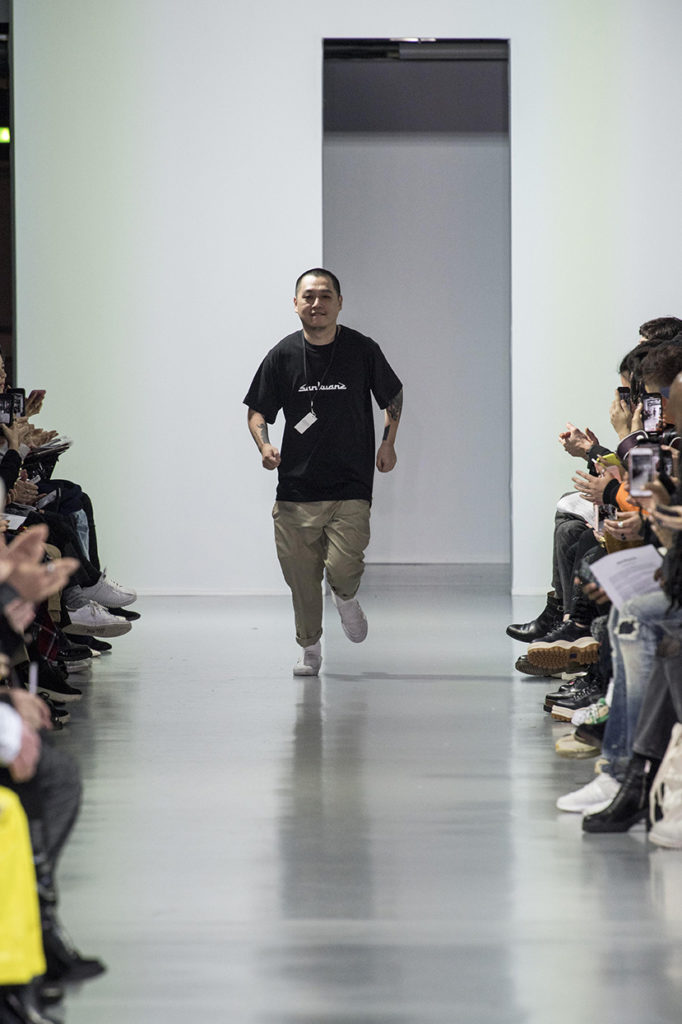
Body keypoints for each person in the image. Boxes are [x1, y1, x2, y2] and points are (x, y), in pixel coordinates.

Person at [244, 268, 403, 676]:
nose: (317, 304)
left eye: (326, 296)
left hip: (351, 484)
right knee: (301, 578)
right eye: (309, 296)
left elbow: (393, 394)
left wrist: (388, 442)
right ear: (296, 303)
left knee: (344, 567)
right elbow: (258, 410)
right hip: (296, 489)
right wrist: (264, 445)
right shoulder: (282, 355)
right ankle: (309, 647)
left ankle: (345, 597)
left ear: (340, 303)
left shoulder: (361, 349)